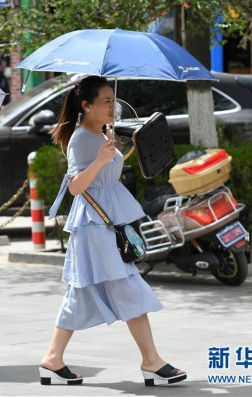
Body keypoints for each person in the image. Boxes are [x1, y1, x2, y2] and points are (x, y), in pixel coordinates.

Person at [39, 76, 186, 386]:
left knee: (81, 293)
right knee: (127, 286)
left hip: (104, 224)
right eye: (105, 101)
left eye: (112, 100)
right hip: (95, 226)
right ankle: (151, 362)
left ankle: (53, 360)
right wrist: (103, 157)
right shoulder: (81, 138)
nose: (112, 106)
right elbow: (76, 186)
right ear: (86, 105)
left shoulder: (101, 133)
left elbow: (106, 173)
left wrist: (118, 151)